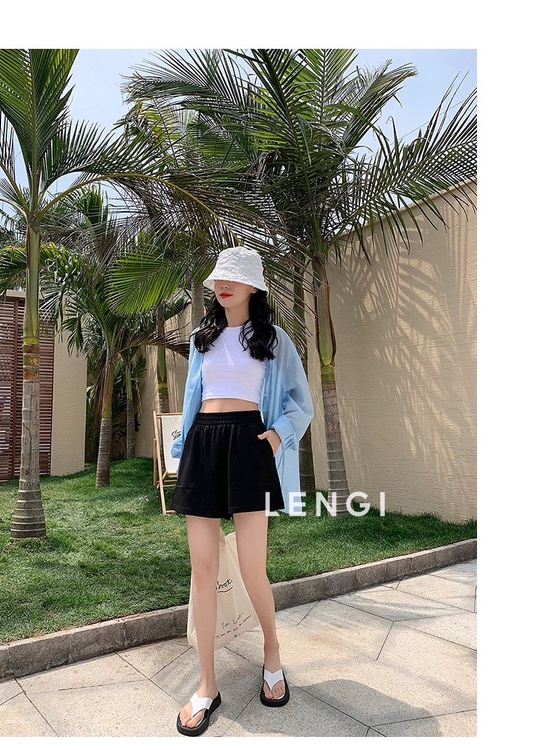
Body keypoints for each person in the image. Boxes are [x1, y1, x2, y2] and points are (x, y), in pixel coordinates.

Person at [170, 245, 314, 736]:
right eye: (219, 278)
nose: (223, 285)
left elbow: (300, 402)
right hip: (203, 446)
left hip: (250, 445)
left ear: (254, 286)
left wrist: (277, 436)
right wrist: (182, 451)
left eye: (234, 278)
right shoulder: (201, 338)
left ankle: (272, 653)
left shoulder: (273, 339)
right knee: (203, 570)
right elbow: (193, 398)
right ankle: (207, 684)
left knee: (253, 567)